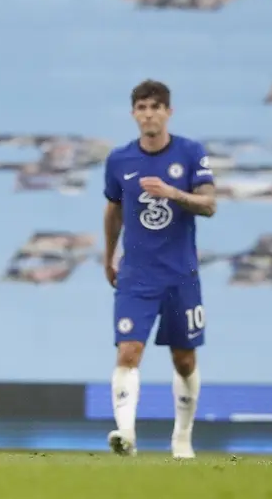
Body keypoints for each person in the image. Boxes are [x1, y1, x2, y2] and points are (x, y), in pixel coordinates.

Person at [102, 79, 216, 459]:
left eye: (156, 107)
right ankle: (126, 435)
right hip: (137, 275)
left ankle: (182, 438)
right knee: (128, 352)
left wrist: (174, 194)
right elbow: (113, 209)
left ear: (169, 112)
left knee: (184, 360)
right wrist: (108, 254)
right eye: (142, 108)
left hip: (181, 274)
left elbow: (209, 204)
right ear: (134, 114)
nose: (149, 114)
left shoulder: (190, 152)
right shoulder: (120, 160)